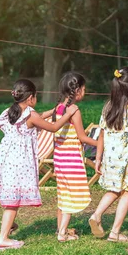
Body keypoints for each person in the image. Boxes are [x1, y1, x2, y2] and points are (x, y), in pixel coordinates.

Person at [0, 79, 78, 251]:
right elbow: (54, 127)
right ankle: (3, 238)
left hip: (6, 159)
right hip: (19, 161)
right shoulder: (31, 115)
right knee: (14, 201)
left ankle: (8, 225)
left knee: (11, 195)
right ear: (31, 98)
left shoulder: (9, 111)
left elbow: (7, 124)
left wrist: (52, 111)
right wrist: (68, 115)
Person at [88, 67, 128, 243]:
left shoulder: (108, 106)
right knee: (127, 191)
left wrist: (97, 158)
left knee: (114, 189)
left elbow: (101, 134)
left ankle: (97, 214)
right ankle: (114, 232)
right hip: (127, 157)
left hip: (109, 156)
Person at [52, 72, 99, 242]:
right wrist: (100, 143)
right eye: (84, 89)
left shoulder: (58, 108)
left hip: (60, 159)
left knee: (64, 195)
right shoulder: (74, 111)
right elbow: (82, 137)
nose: (84, 92)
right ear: (77, 90)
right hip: (71, 159)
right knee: (71, 197)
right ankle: (62, 233)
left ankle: (61, 229)